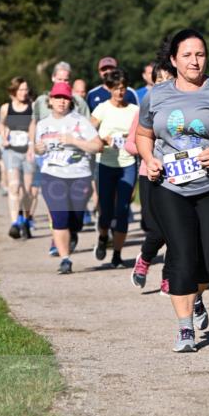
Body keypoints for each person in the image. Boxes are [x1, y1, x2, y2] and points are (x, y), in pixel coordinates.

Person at [136, 29, 209, 353]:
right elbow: (144, 133)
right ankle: (185, 328)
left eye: (199, 54)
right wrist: (149, 159)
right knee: (183, 258)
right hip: (169, 187)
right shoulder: (156, 96)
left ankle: (197, 295)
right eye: (186, 55)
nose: (194, 61)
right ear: (173, 60)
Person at [34, 82, 102, 273]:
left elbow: (98, 146)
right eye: (58, 98)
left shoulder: (80, 122)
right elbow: (38, 149)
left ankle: (72, 232)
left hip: (79, 175)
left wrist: (74, 141)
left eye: (65, 98)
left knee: (76, 220)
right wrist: (37, 149)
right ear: (51, 100)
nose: (61, 102)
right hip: (52, 175)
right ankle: (65, 259)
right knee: (59, 216)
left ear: (70, 101)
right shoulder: (43, 124)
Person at [127, 63, 173, 292]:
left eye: (168, 78)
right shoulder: (145, 108)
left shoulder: (182, 108)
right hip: (150, 174)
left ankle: (169, 276)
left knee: (176, 230)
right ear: (152, 84)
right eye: (159, 79)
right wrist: (151, 152)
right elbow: (129, 144)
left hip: (177, 176)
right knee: (157, 229)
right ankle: (144, 259)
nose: (164, 82)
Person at [90, 69, 138, 267]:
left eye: (123, 88)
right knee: (106, 211)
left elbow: (142, 133)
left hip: (128, 163)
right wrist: (102, 139)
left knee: (123, 210)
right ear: (109, 89)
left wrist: (130, 138)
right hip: (107, 164)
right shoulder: (102, 108)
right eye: (116, 89)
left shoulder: (134, 110)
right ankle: (102, 238)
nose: (120, 92)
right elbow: (88, 130)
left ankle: (117, 255)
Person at [0, 78, 35, 239]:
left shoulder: (32, 107)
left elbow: (35, 127)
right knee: (14, 187)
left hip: (27, 152)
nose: (24, 92)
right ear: (14, 91)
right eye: (21, 89)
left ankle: (26, 220)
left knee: (27, 191)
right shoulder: (6, 108)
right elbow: (2, 124)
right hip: (11, 151)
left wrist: (32, 145)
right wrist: (4, 135)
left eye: (26, 89)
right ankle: (14, 223)